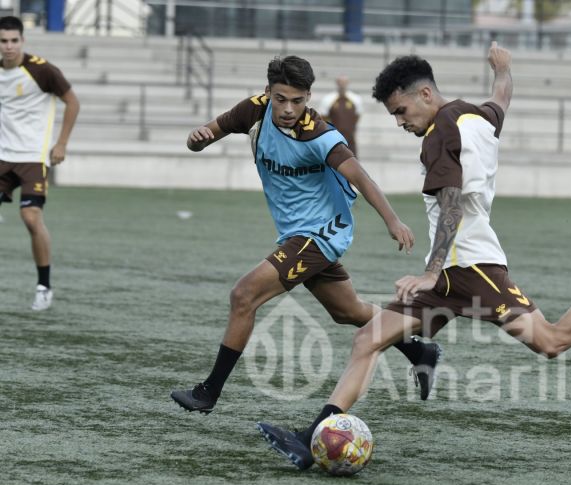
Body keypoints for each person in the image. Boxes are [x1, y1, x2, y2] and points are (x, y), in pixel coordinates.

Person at [256, 42, 571, 470]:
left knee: (551, 341)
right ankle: (312, 435)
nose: (400, 121)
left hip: (471, 268)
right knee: (367, 341)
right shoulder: (477, 115)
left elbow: (452, 201)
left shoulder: (439, 134)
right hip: (450, 274)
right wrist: (504, 69)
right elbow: (502, 97)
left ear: (425, 93)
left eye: (401, 110)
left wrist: (430, 272)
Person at [170, 55, 442, 414]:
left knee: (244, 295)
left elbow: (360, 177)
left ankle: (208, 393)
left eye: (297, 101)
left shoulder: (320, 134)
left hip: (323, 233)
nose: (287, 109)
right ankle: (418, 350)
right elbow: (203, 137)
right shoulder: (253, 111)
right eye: (280, 99)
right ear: (268, 93)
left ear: (309, 97)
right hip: (295, 234)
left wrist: (393, 221)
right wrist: (197, 140)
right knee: (347, 311)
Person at [0, 15, 80, 311]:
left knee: (31, 219)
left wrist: (61, 143)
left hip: (33, 157)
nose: (8, 47)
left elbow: (73, 101)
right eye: (3, 41)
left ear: (22, 41)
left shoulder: (41, 70)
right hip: (2, 156)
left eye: (13, 41)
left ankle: (44, 286)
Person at [318, 76, 362, 156]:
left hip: (350, 138)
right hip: (333, 138)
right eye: (340, 82)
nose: (342, 85)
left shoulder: (355, 99)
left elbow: (357, 115)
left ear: (347, 83)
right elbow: (323, 117)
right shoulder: (328, 99)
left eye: (344, 82)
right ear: (337, 83)